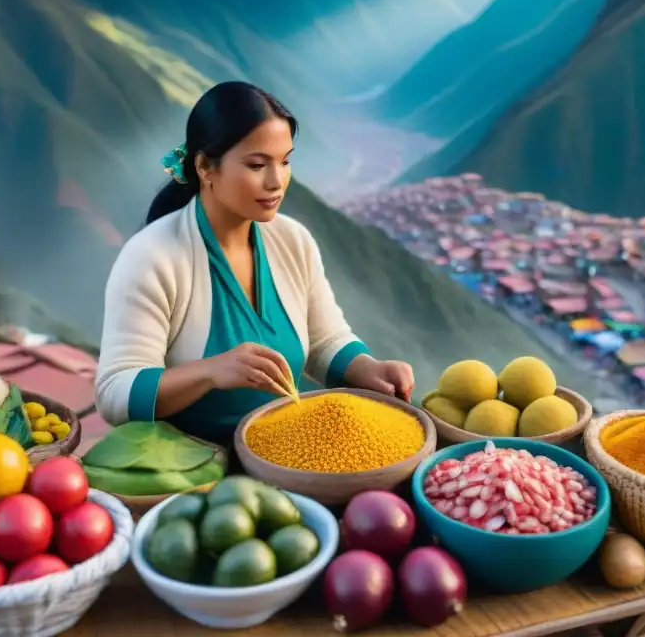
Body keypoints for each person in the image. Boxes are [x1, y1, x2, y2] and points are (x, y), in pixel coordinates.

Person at [94, 82, 415, 443]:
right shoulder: (152, 258)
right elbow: (114, 392)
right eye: (257, 164)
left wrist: (368, 369)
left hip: (288, 455)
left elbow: (324, 340)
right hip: (197, 471)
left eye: (285, 161)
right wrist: (210, 372)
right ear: (205, 167)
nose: (277, 181)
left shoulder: (293, 241)